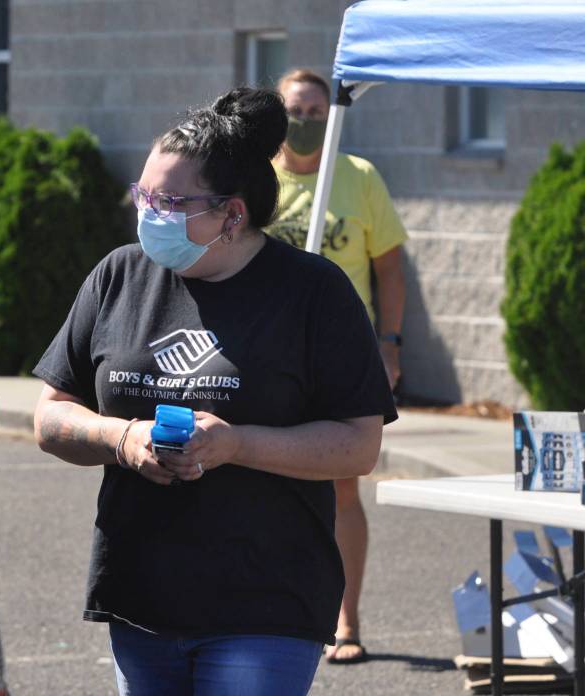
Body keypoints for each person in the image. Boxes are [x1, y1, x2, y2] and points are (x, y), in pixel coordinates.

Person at [32, 85, 397, 696]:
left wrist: (235, 445)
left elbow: (359, 446)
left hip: (266, 603)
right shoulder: (119, 275)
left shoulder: (313, 292)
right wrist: (124, 438)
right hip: (140, 596)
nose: (150, 212)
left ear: (232, 214)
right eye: (144, 194)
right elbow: (50, 417)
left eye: (170, 200)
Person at [269, 68, 408, 665]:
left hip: (338, 356)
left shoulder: (359, 177)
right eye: (295, 110)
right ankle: (270, 613)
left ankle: (346, 622)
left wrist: (390, 342)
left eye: (316, 112)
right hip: (265, 355)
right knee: (260, 484)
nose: (305, 122)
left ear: (334, 117)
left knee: (341, 490)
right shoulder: (252, 179)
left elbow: (390, 269)